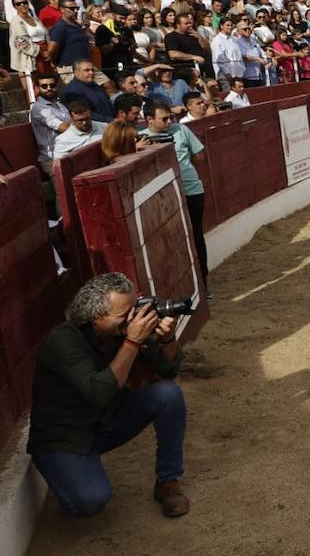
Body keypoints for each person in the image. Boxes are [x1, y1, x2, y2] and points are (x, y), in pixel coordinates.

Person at [27, 272, 190, 518]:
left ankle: (168, 482)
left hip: (105, 423)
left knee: (168, 395)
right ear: (95, 317)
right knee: (91, 501)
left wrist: (167, 339)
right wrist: (132, 342)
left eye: (133, 308)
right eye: (124, 315)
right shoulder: (62, 341)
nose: (133, 318)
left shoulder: (120, 331)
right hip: (65, 439)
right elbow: (99, 393)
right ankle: (69, 473)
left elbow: (168, 370)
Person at [142, 99, 209, 286]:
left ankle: (203, 282)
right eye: (164, 119)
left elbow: (200, 155)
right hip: (162, 197)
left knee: (196, 235)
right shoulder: (140, 139)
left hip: (191, 190)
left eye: (170, 117)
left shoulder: (182, 129)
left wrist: (185, 170)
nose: (170, 122)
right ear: (149, 119)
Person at [29, 71, 72, 175]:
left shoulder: (61, 106)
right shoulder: (38, 108)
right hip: (52, 159)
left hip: (68, 154)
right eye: (44, 86)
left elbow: (72, 124)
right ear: (38, 89)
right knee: (63, 191)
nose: (49, 88)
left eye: (52, 85)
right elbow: (63, 127)